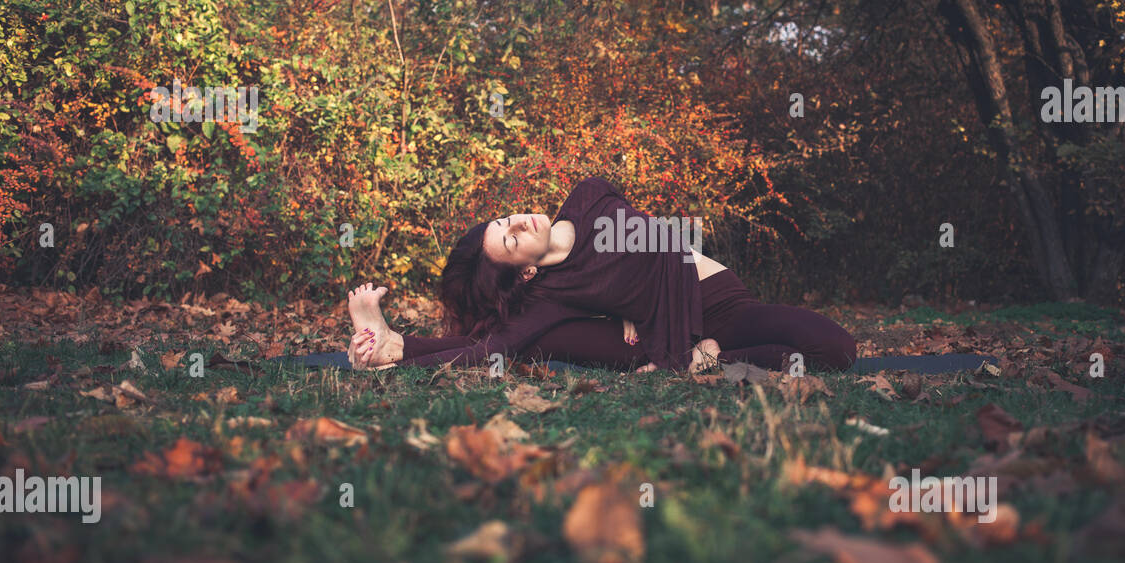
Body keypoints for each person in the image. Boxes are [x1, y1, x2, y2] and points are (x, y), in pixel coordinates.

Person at [347, 176, 856, 373]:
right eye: (511, 239)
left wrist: (640, 306)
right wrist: (400, 347)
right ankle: (388, 346)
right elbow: (493, 348)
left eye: (506, 220)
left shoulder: (589, 195)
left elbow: (662, 243)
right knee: (524, 342)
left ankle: (704, 359)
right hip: (672, 339)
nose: (520, 222)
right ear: (522, 272)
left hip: (722, 304)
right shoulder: (550, 293)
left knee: (835, 348)